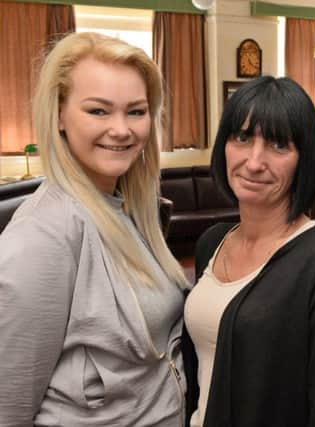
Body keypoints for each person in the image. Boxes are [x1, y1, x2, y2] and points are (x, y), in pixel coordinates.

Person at [0, 32, 190, 426]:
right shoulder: (43, 236)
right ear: (59, 116)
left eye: (135, 111)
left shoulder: (128, 208)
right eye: (99, 111)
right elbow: (8, 406)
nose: (121, 129)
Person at [183, 76, 315, 427]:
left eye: (279, 145)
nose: (254, 161)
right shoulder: (212, 243)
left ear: (303, 160)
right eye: (243, 137)